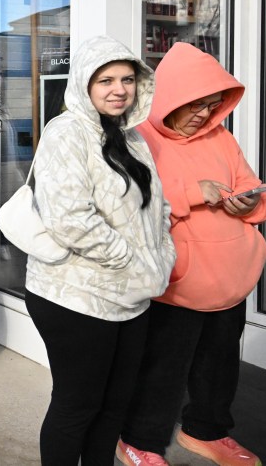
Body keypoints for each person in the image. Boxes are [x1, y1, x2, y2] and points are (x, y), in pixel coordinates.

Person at [117, 42, 266, 466]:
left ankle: (206, 431)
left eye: (212, 104)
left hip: (232, 279)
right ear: (171, 96)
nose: (204, 114)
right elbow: (129, 203)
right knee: (162, 370)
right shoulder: (137, 139)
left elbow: (254, 190)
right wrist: (194, 193)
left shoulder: (222, 138)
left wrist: (251, 203)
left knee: (220, 368)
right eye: (195, 104)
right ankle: (139, 440)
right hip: (178, 282)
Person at [26, 35, 175, 465]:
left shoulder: (132, 137)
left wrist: (162, 257)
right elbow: (71, 218)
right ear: (84, 84)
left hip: (130, 296)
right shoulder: (67, 132)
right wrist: (134, 263)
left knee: (113, 407)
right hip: (73, 295)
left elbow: (157, 209)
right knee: (78, 406)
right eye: (105, 80)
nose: (119, 89)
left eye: (128, 79)